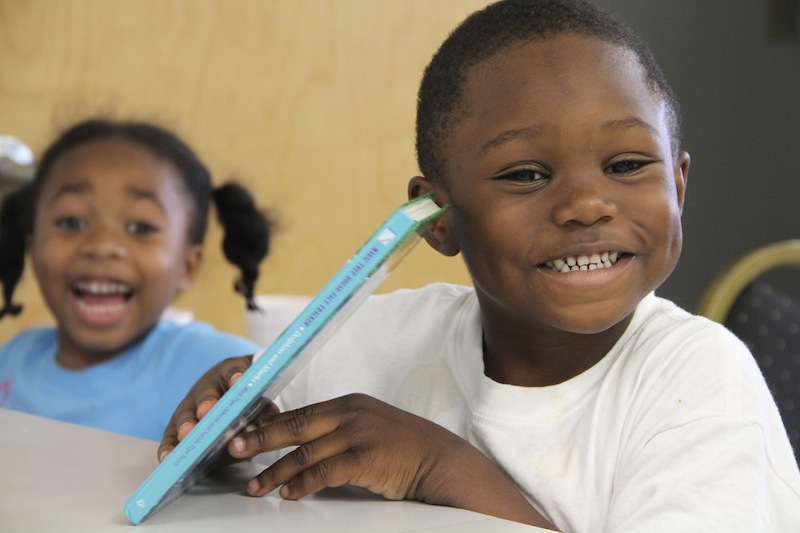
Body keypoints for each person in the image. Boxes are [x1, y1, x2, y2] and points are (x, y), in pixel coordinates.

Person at [157, 0, 800, 530]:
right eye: (526, 174)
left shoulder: (700, 382)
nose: (586, 205)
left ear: (678, 189)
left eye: (627, 165)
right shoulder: (373, 341)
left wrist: (442, 470)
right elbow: (258, 442)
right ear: (438, 218)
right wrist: (228, 425)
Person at [0, 118, 271, 441]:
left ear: (187, 265)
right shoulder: (14, 357)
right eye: (71, 221)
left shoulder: (217, 365)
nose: (101, 245)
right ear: (32, 248)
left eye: (140, 228)